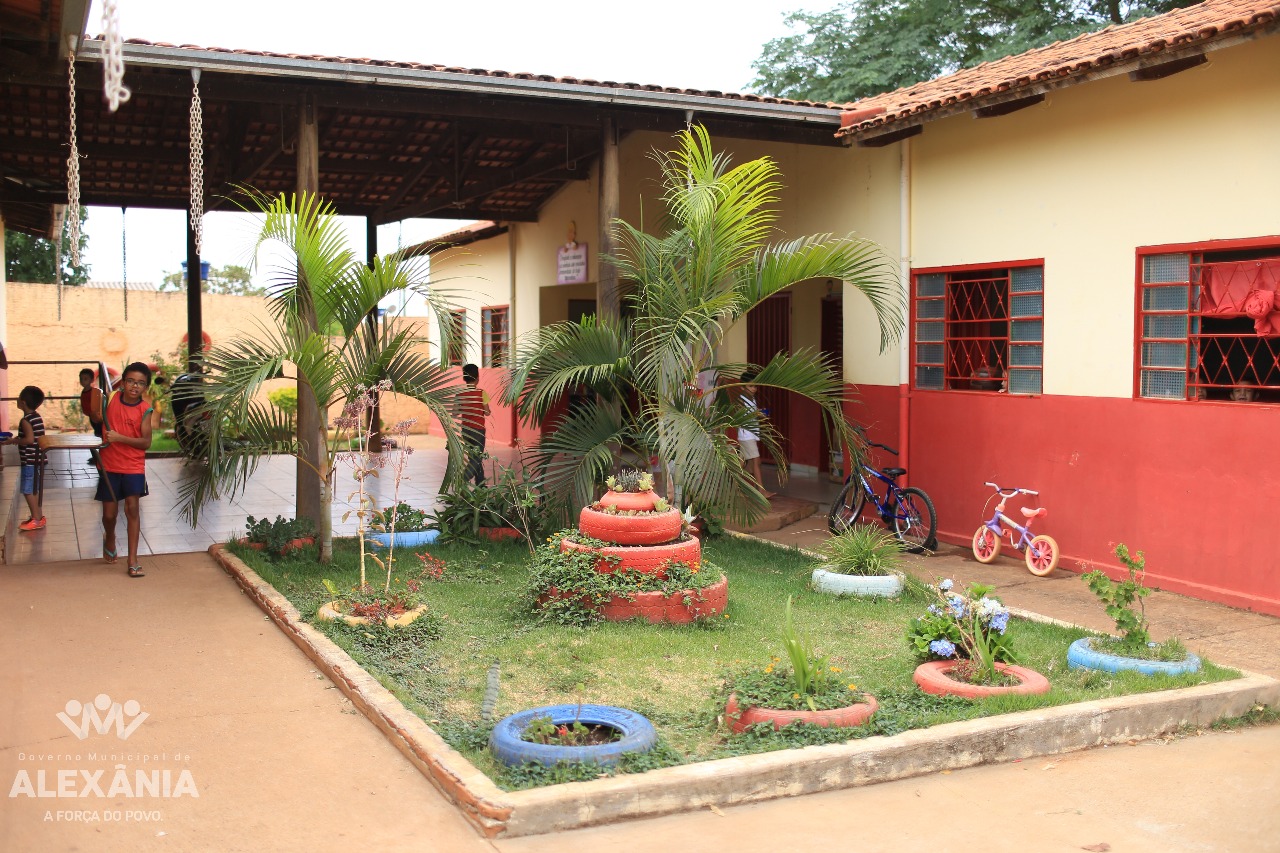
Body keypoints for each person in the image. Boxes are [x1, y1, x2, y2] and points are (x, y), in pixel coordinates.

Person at [97, 362, 154, 578]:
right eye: (130, 381)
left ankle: (132, 560)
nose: (134, 386)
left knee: (132, 509)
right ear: (123, 381)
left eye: (140, 383)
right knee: (109, 515)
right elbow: (94, 414)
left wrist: (120, 438)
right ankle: (109, 536)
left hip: (133, 465)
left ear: (145, 387)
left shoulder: (144, 410)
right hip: (109, 464)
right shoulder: (110, 399)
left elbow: (146, 442)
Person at [5, 386, 47, 530]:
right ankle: (38, 517)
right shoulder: (36, 417)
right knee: (34, 490)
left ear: (23, 402)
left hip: (30, 461)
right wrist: (17, 439)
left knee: (28, 490)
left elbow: (29, 440)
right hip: (38, 460)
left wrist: (14, 441)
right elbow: (33, 437)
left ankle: (36, 519)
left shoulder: (25, 420)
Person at [737, 370, 774, 500]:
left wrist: (758, 412)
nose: (754, 389)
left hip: (751, 434)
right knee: (756, 463)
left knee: (747, 465)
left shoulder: (751, 398)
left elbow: (751, 412)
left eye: (755, 386)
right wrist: (756, 414)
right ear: (742, 386)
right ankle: (761, 491)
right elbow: (741, 415)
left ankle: (734, 484)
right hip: (746, 435)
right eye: (751, 386)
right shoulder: (741, 399)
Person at [453, 364, 490, 486]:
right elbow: (487, 412)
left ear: (464, 377)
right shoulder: (481, 393)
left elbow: (455, 413)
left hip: (466, 430)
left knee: (473, 458)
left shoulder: (459, 394)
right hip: (478, 430)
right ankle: (462, 481)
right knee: (477, 458)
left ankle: (481, 483)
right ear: (477, 377)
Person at [78, 367, 105, 464]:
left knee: (100, 436)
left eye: (85, 379)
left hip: (97, 418)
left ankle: (100, 457)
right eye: (81, 379)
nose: (83, 381)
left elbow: (98, 405)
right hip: (92, 418)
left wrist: (98, 416)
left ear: (91, 380)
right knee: (98, 436)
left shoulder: (94, 392)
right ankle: (97, 457)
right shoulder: (84, 392)